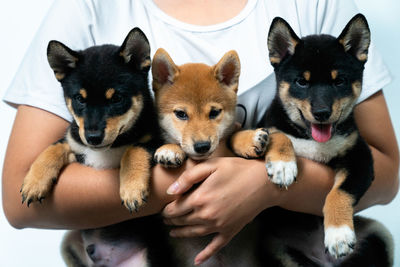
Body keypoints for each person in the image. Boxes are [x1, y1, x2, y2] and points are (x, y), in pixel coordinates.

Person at [2, 0, 398, 265]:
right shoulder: (88, 8)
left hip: (274, 243)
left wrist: (263, 184)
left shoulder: (318, 5)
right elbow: (20, 202)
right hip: (154, 245)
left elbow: (386, 171)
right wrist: (190, 183)